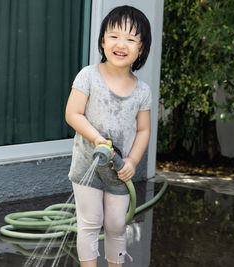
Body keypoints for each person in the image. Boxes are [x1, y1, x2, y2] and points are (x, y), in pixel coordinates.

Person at [65, 5, 152, 267]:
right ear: (102, 41)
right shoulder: (88, 76)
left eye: (130, 39)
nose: (121, 44)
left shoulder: (142, 91)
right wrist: (96, 138)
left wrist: (133, 162)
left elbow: (144, 130)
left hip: (119, 170)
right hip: (86, 166)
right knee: (90, 223)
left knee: (115, 225)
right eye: (114, 36)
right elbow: (73, 114)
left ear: (141, 49)